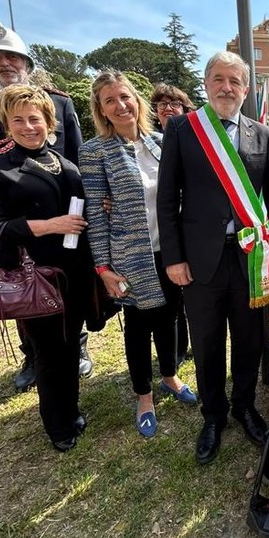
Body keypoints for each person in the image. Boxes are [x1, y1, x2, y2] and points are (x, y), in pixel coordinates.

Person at [157, 51, 269, 465]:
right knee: (208, 341)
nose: (227, 87)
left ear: (246, 89)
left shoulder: (261, 134)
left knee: (249, 339)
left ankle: (244, 406)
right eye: (219, 79)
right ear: (206, 83)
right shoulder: (182, 128)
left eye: (235, 81)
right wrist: (174, 258)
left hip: (250, 256)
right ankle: (212, 415)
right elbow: (166, 198)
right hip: (200, 259)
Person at [0, 21, 91, 391]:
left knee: (68, 301)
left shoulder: (60, 102)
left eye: (12, 56)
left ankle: (75, 348)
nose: (5, 63)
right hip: (14, 221)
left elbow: (76, 160)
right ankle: (32, 355)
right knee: (20, 290)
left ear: (26, 62)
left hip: (69, 225)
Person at [0, 85, 92, 452]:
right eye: (18, 120)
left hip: (73, 274)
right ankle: (58, 427)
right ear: (7, 124)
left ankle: (70, 410)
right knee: (49, 353)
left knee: (70, 346)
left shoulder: (66, 164)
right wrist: (49, 225)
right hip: (33, 278)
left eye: (35, 118)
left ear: (48, 121)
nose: (28, 126)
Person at [80, 71, 198, 440]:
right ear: (101, 109)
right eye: (110, 100)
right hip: (129, 256)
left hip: (171, 251)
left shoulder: (163, 142)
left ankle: (169, 376)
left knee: (169, 318)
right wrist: (102, 268)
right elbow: (95, 216)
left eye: (125, 96)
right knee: (138, 327)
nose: (121, 105)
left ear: (137, 100)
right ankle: (144, 397)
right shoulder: (94, 150)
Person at [150, 82, 195, 365]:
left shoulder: (193, 140)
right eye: (162, 104)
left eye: (174, 104)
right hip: (161, 227)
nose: (168, 108)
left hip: (191, 224)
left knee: (189, 290)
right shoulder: (149, 142)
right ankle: (173, 351)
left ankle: (185, 342)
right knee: (168, 294)